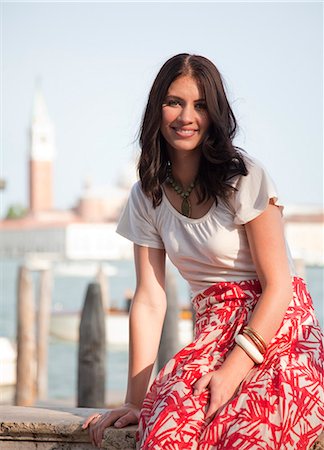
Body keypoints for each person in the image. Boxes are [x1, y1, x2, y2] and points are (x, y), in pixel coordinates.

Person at [83, 53, 324, 449]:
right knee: (164, 432)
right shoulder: (147, 194)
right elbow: (149, 299)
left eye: (200, 105)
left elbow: (279, 286)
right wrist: (134, 400)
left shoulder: (243, 177)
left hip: (278, 327)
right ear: (157, 108)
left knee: (249, 433)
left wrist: (232, 371)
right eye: (174, 102)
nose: (186, 117)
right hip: (211, 329)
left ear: (215, 114)